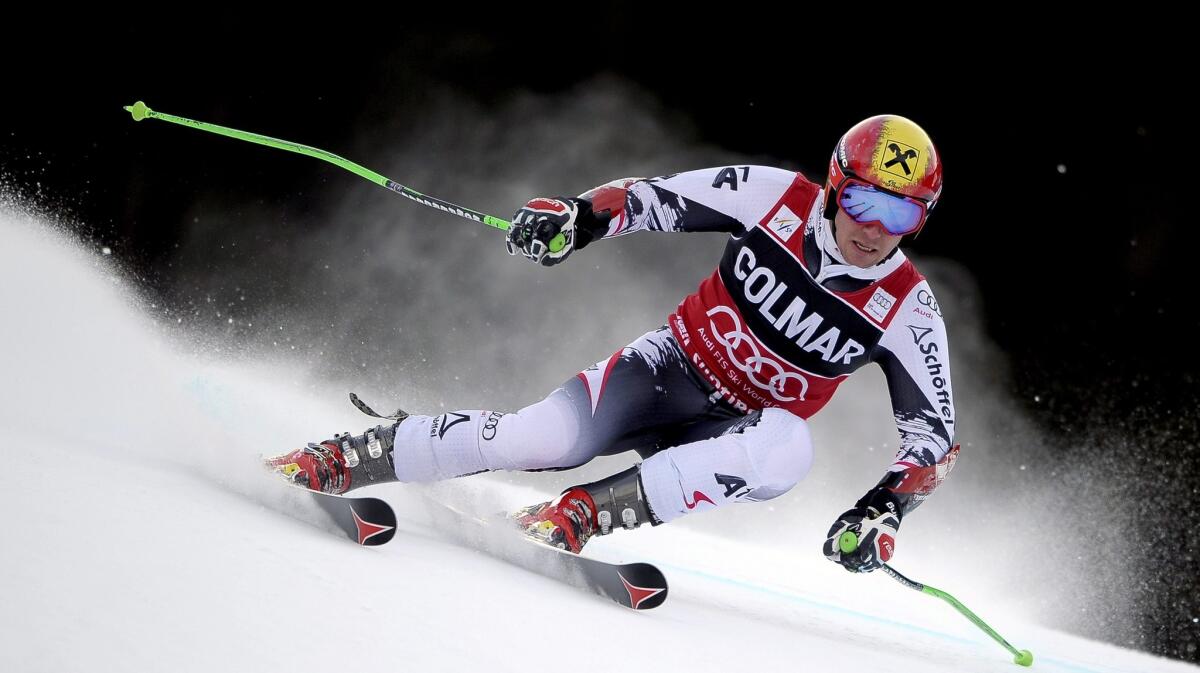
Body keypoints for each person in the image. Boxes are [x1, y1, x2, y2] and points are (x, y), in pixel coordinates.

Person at [268, 114, 960, 573]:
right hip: (666, 369)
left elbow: (932, 438)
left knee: (792, 445)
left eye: (900, 212)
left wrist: (882, 510)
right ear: (836, 188)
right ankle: (343, 456)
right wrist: (576, 218)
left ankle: (580, 515)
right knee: (539, 439)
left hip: (730, 436)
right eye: (865, 201)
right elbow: (650, 198)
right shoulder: (774, 196)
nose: (875, 228)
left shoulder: (909, 308)